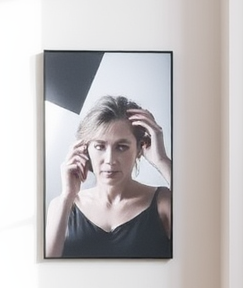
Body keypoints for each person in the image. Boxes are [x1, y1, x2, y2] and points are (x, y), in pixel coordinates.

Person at [45, 95, 172, 258]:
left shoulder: (164, 202)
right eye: (99, 146)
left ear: (140, 148)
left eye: (121, 147)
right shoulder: (62, 205)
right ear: (84, 150)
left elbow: (200, 239)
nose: (110, 160)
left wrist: (162, 161)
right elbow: (46, 272)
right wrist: (67, 197)